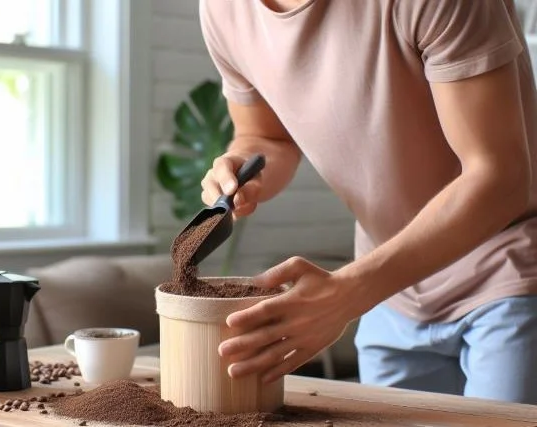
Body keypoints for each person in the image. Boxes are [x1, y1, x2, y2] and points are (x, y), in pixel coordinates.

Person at [198, 0, 537, 404]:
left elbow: (500, 178)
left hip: (507, 274)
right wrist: (244, 168)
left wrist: (348, 294)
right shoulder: (223, 9)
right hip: (389, 290)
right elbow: (266, 137)